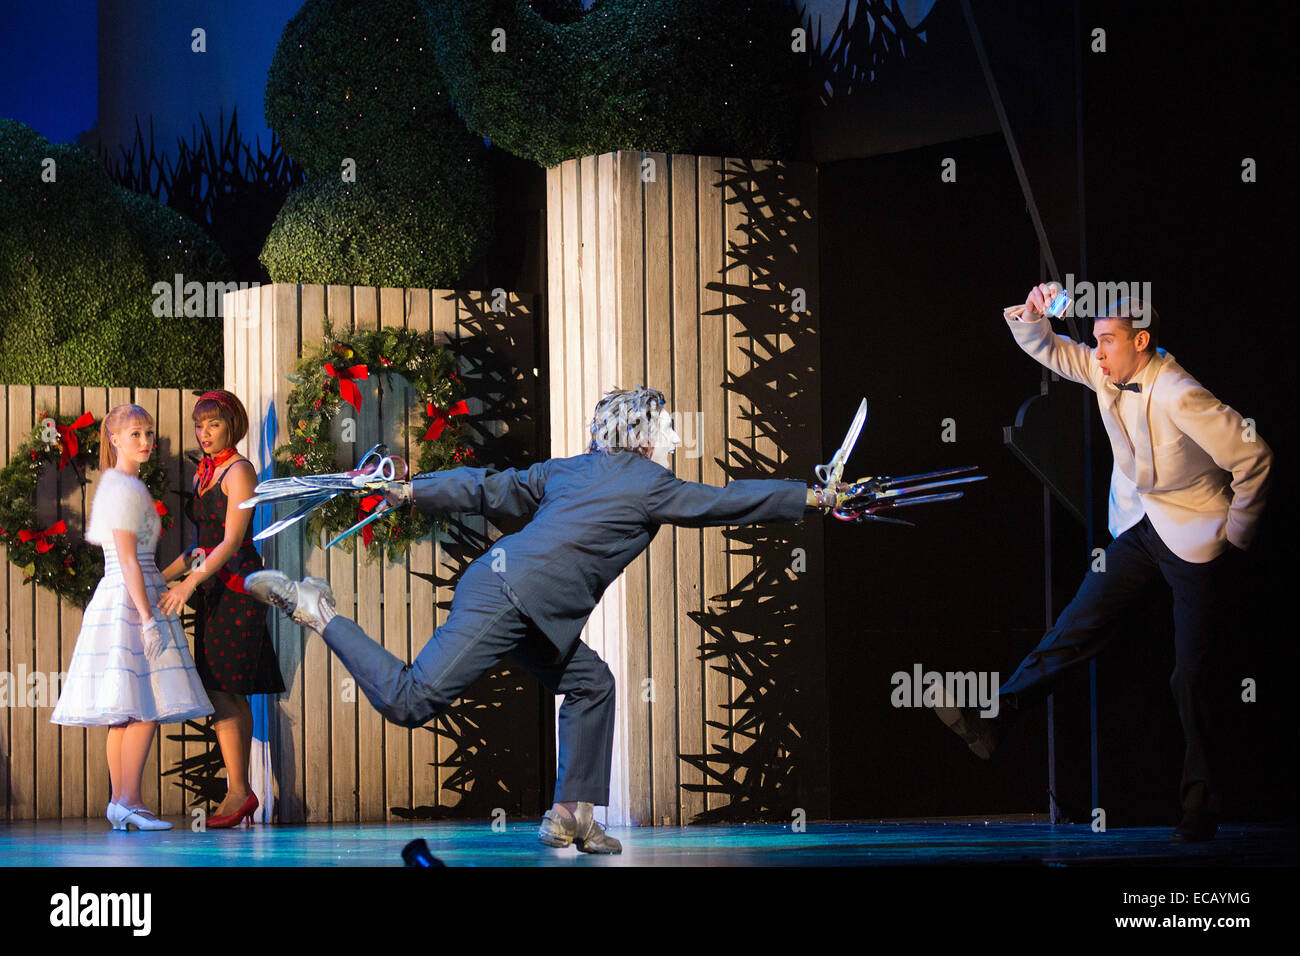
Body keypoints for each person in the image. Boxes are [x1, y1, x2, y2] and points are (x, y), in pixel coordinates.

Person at [246, 385, 844, 853]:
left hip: (516, 598)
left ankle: (573, 813)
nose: (669, 433)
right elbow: (724, 503)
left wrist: (413, 490)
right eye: (662, 423)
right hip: (508, 599)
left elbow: (487, 487)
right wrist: (813, 498)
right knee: (411, 699)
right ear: (641, 432)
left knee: (592, 683)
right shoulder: (651, 484)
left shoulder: (573, 469)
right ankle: (315, 609)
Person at [935, 283, 1271, 842]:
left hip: (1195, 533)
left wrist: (1234, 538)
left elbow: (1255, 456)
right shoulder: (1106, 368)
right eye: (1095, 340)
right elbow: (1051, 350)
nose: (1096, 351)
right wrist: (1034, 313)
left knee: (1191, 674)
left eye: (1107, 341)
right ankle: (993, 720)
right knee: (1076, 624)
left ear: (1142, 341)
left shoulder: (1179, 393)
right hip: (1140, 527)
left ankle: (1201, 805)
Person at [50, 404, 213, 831]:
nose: (145, 441)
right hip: (127, 596)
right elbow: (125, 560)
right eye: (135, 434)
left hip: (135, 587)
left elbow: (141, 561)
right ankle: (130, 802)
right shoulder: (121, 486)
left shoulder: (125, 486)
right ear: (115, 440)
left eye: (148, 433)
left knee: (128, 709)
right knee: (144, 706)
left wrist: (182, 565)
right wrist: (145, 617)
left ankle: (122, 802)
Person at [157, 390, 285, 829]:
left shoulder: (239, 471)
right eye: (199, 425)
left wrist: (189, 584)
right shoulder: (204, 474)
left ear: (232, 425)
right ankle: (240, 791)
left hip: (238, 588)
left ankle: (239, 791)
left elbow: (231, 541)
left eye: (212, 424)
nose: (204, 433)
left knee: (231, 686)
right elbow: (200, 545)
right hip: (212, 587)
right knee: (217, 690)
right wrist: (162, 575)